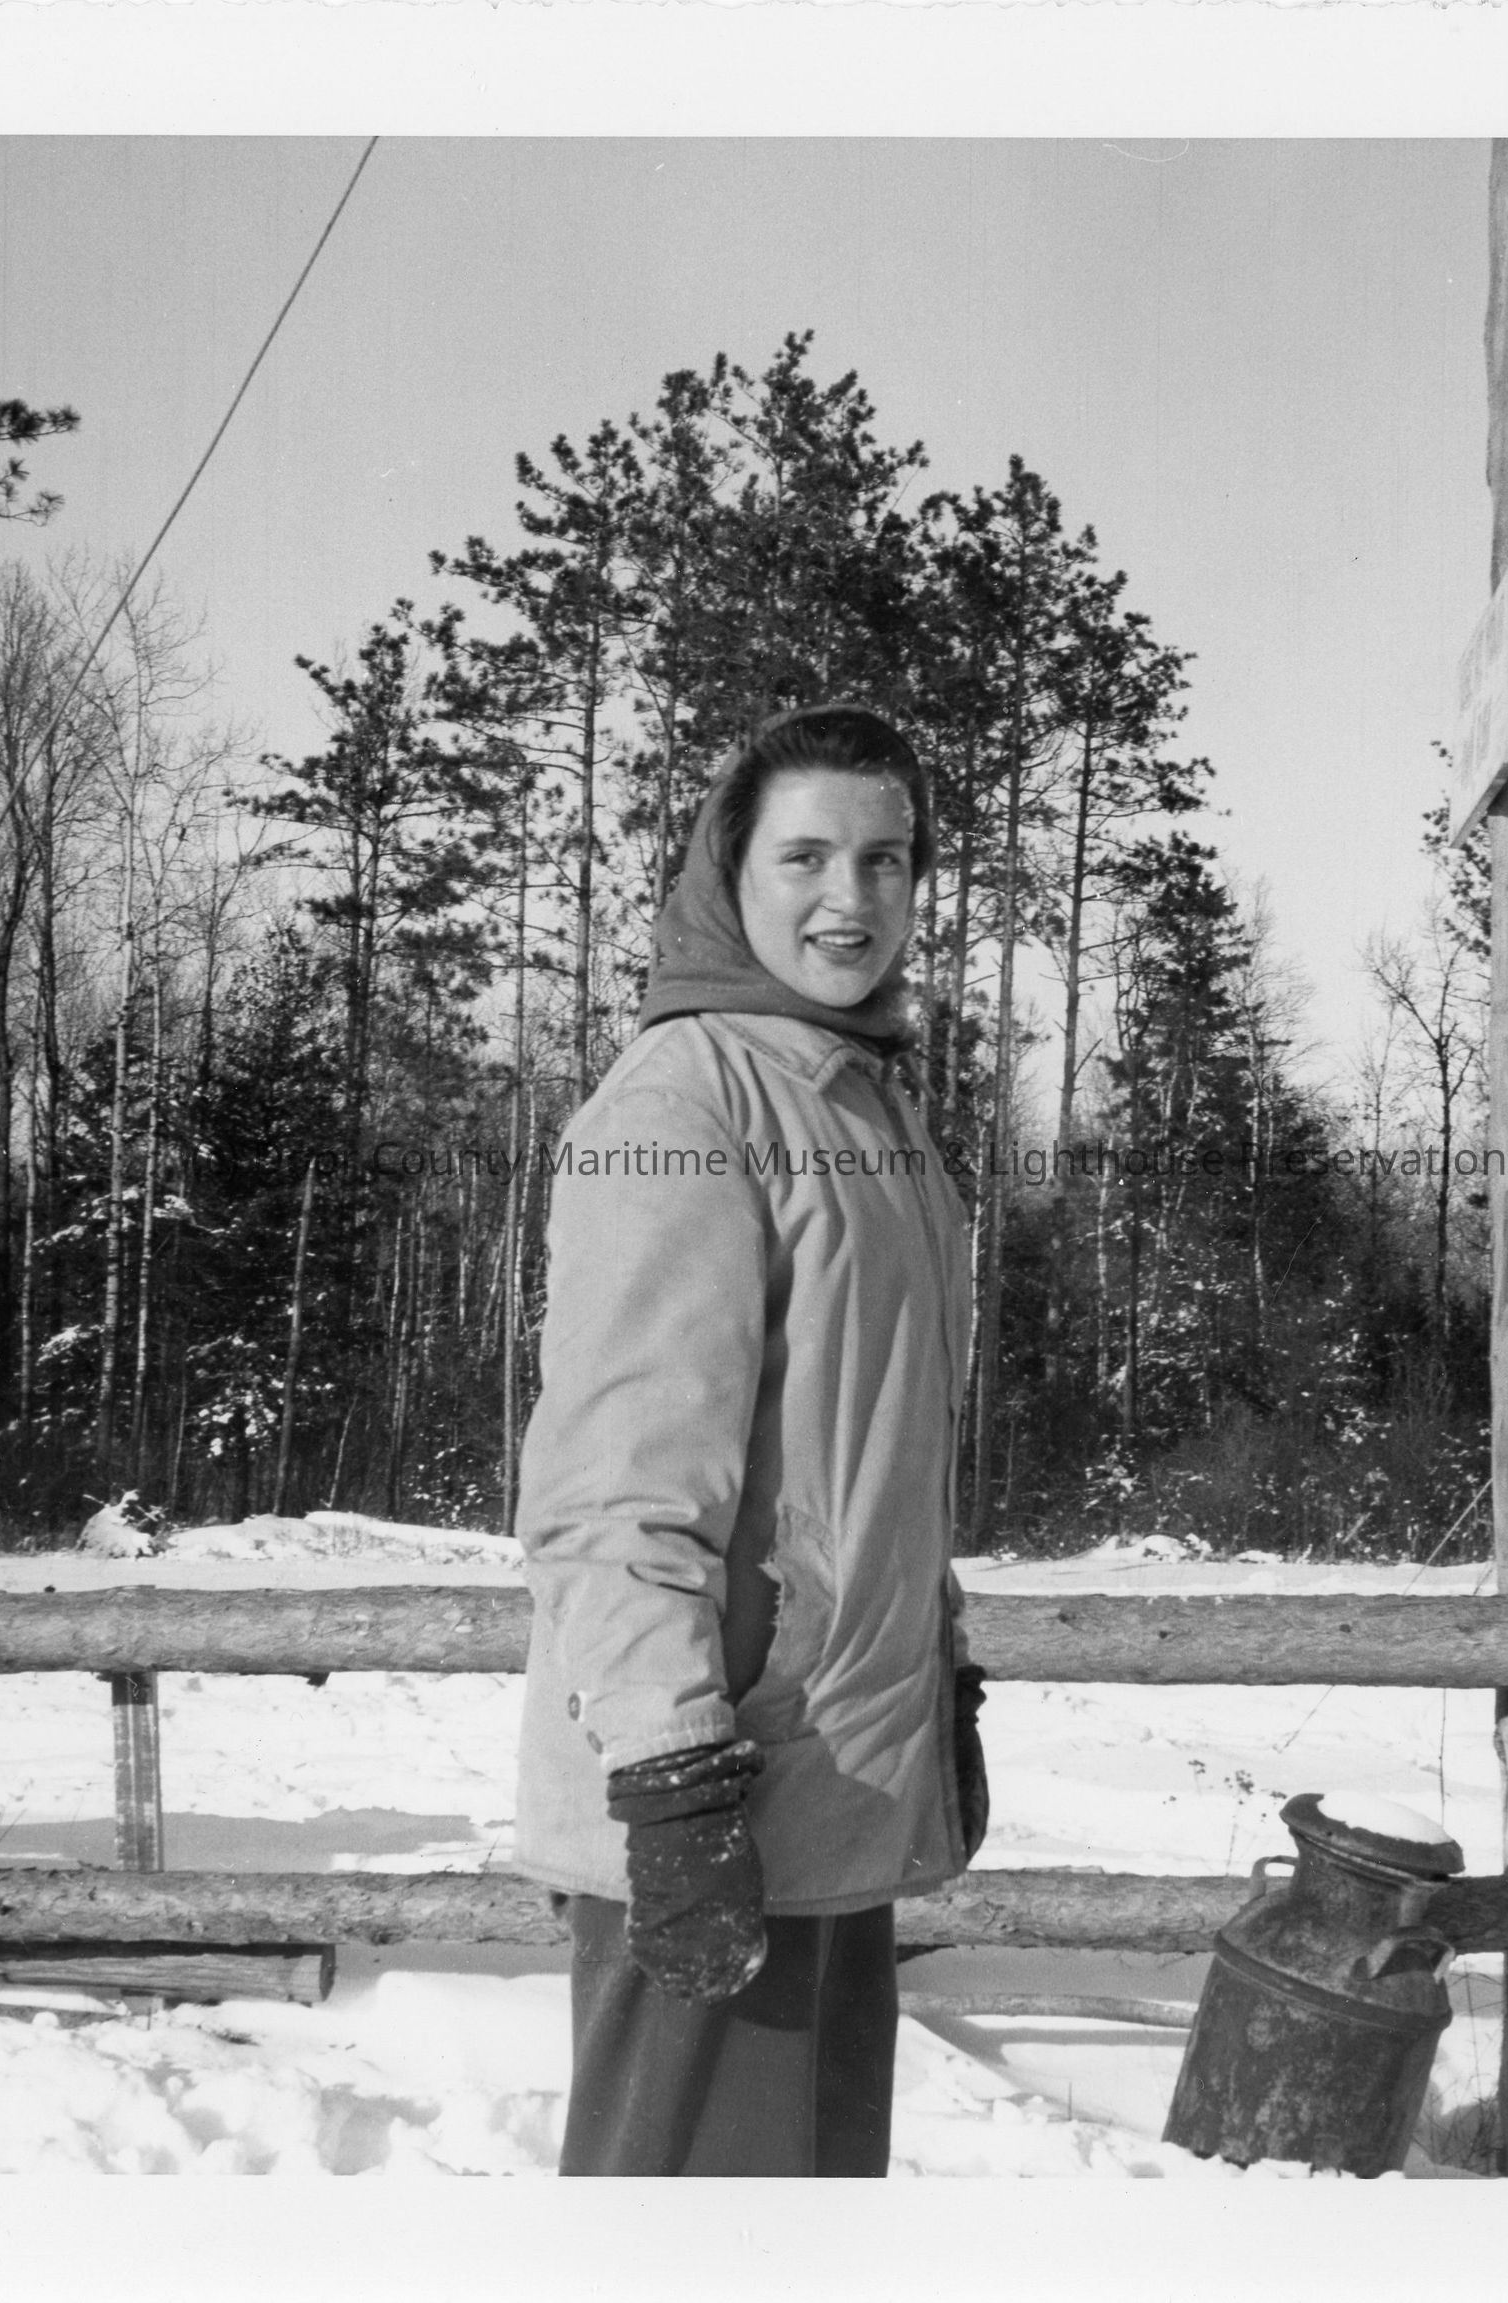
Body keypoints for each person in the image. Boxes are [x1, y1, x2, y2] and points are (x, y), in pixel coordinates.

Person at [512, 702, 987, 2178]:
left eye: (886, 859)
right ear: (730, 873)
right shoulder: (686, 1098)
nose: (852, 898)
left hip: (836, 1788)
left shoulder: (862, 1107)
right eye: (806, 857)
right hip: (721, 1796)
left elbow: (866, 1462)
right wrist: (671, 1783)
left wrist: (939, 1680)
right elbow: (615, 1489)